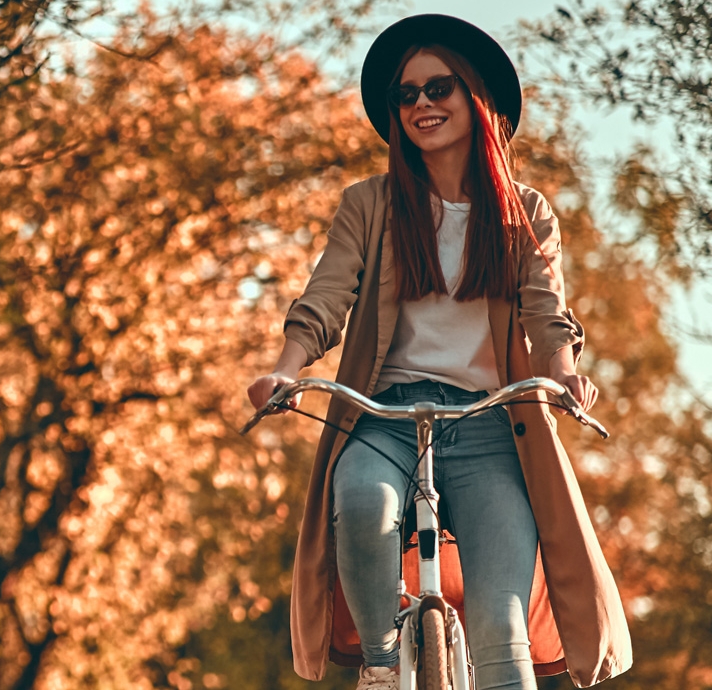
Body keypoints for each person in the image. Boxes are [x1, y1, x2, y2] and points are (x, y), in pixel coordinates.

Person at [245, 15, 633, 690]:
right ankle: (379, 664)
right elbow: (327, 296)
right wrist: (285, 368)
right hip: (385, 416)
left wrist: (564, 373)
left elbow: (546, 310)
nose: (422, 103)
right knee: (362, 504)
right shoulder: (370, 205)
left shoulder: (525, 212)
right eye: (407, 94)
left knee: (500, 628)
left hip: (491, 425)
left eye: (440, 87)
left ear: (476, 97)